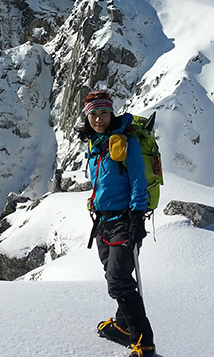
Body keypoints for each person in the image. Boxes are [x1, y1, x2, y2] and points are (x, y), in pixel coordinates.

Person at [77, 90, 156, 357]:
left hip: (125, 219)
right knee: (114, 274)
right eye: (93, 114)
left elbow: (138, 182)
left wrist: (137, 217)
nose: (98, 119)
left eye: (103, 113)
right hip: (103, 222)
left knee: (119, 281)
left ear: (112, 113)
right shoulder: (96, 143)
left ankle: (143, 340)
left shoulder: (126, 141)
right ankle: (122, 326)